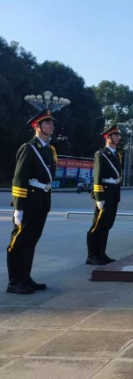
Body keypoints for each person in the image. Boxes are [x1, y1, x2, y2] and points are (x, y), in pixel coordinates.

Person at [7, 110, 57, 294]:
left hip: (41, 202)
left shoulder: (49, 150)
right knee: (19, 242)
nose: (51, 126)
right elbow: (19, 179)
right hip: (28, 203)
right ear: (37, 126)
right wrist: (18, 207)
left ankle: (25, 278)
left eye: (52, 123)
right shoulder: (28, 148)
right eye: (47, 123)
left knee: (31, 241)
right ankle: (14, 282)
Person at [86, 124, 123, 265]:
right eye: (115, 135)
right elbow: (97, 176)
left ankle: (101, 253)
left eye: (118, 135)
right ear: (108, 137)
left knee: (107, 224)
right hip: (104, 193)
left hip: (113, 193)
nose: (118, 137)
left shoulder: (117, 155)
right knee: (97, 225)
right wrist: (99, 197)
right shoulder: (101, 154)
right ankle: (92, 255)